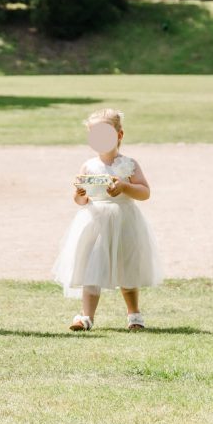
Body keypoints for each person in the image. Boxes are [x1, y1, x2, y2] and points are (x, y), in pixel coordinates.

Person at [53, 109, 163, 331]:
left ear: (119, 136)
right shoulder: (88, 165)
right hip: (95, 222)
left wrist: (124, 186)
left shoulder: (129, 164)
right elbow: (80, 199)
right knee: (92, 267)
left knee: (127, 266)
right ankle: (86, 317)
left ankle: (134, 314)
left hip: (124, 220)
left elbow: (144, 192)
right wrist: (80, 193)